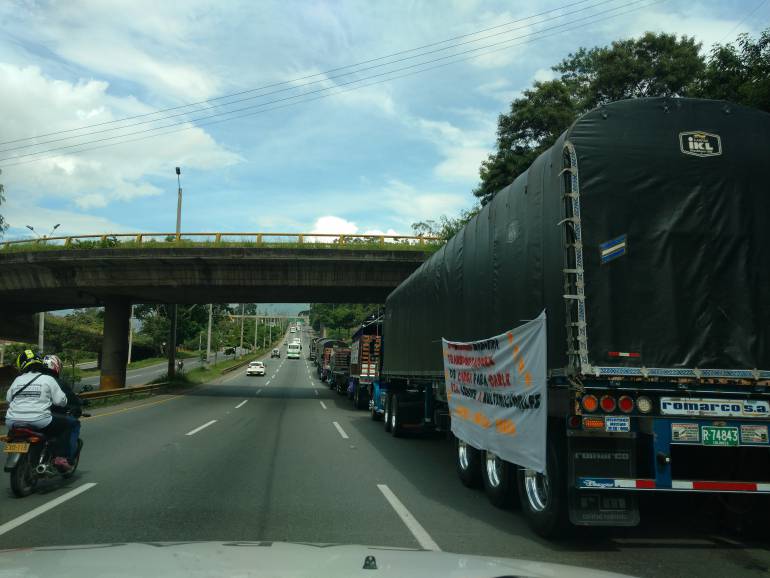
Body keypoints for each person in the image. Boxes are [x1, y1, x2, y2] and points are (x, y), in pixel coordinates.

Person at [5, 350, 75, 472]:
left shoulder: (17, 380)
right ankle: (60, 458)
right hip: (40, 420)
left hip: (12, 421)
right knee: (68, 424)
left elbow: (8, 399)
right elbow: (61, 401)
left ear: (20, 365)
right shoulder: (48, 379)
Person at [42, 354, 82, 463]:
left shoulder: (32, 379)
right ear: (56, 366)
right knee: (73, 424)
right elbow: (66, 400)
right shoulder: (57, 382)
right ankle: (63, 458)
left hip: (19, 417)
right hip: (47, 417)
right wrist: (76, 408)